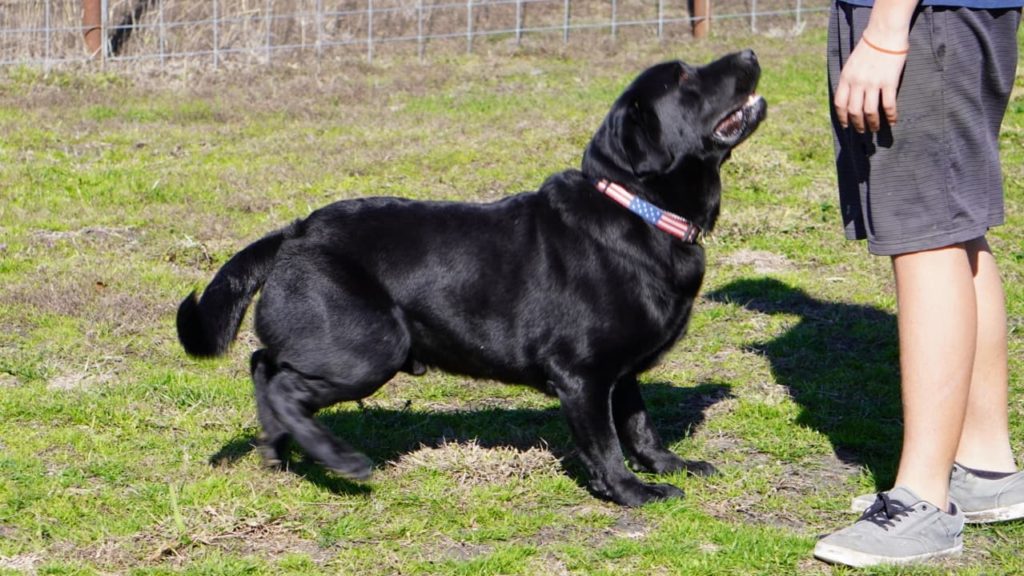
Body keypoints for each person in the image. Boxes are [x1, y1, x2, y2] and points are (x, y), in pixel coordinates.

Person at [813, 0, 1024, 567]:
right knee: (955, 226)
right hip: (938, 15)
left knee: (924, 236)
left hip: (920, 16)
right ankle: (983, 467)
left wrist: (885, 31)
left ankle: (923, 501)